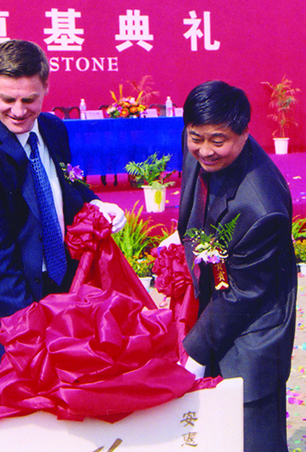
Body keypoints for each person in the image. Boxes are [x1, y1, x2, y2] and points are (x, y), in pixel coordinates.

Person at [0, 39, 126, 409]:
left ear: (46, 86)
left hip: (56, 287)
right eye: (7, 99)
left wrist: (94, 203)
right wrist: (37, 327)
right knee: (7, 414)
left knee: (64, 407)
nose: (18, 111)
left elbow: (65, 184)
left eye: (29, 99)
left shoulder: (53, 129)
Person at [162, 80, 295, 451]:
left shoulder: (261, 207)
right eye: (196, 138)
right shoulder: (200, 143)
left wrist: (195, 353)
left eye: (217, 141)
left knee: (253, 437)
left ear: (244, 132)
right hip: (215, 309)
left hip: (252, 335)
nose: (205, 151)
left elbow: (244, 293)